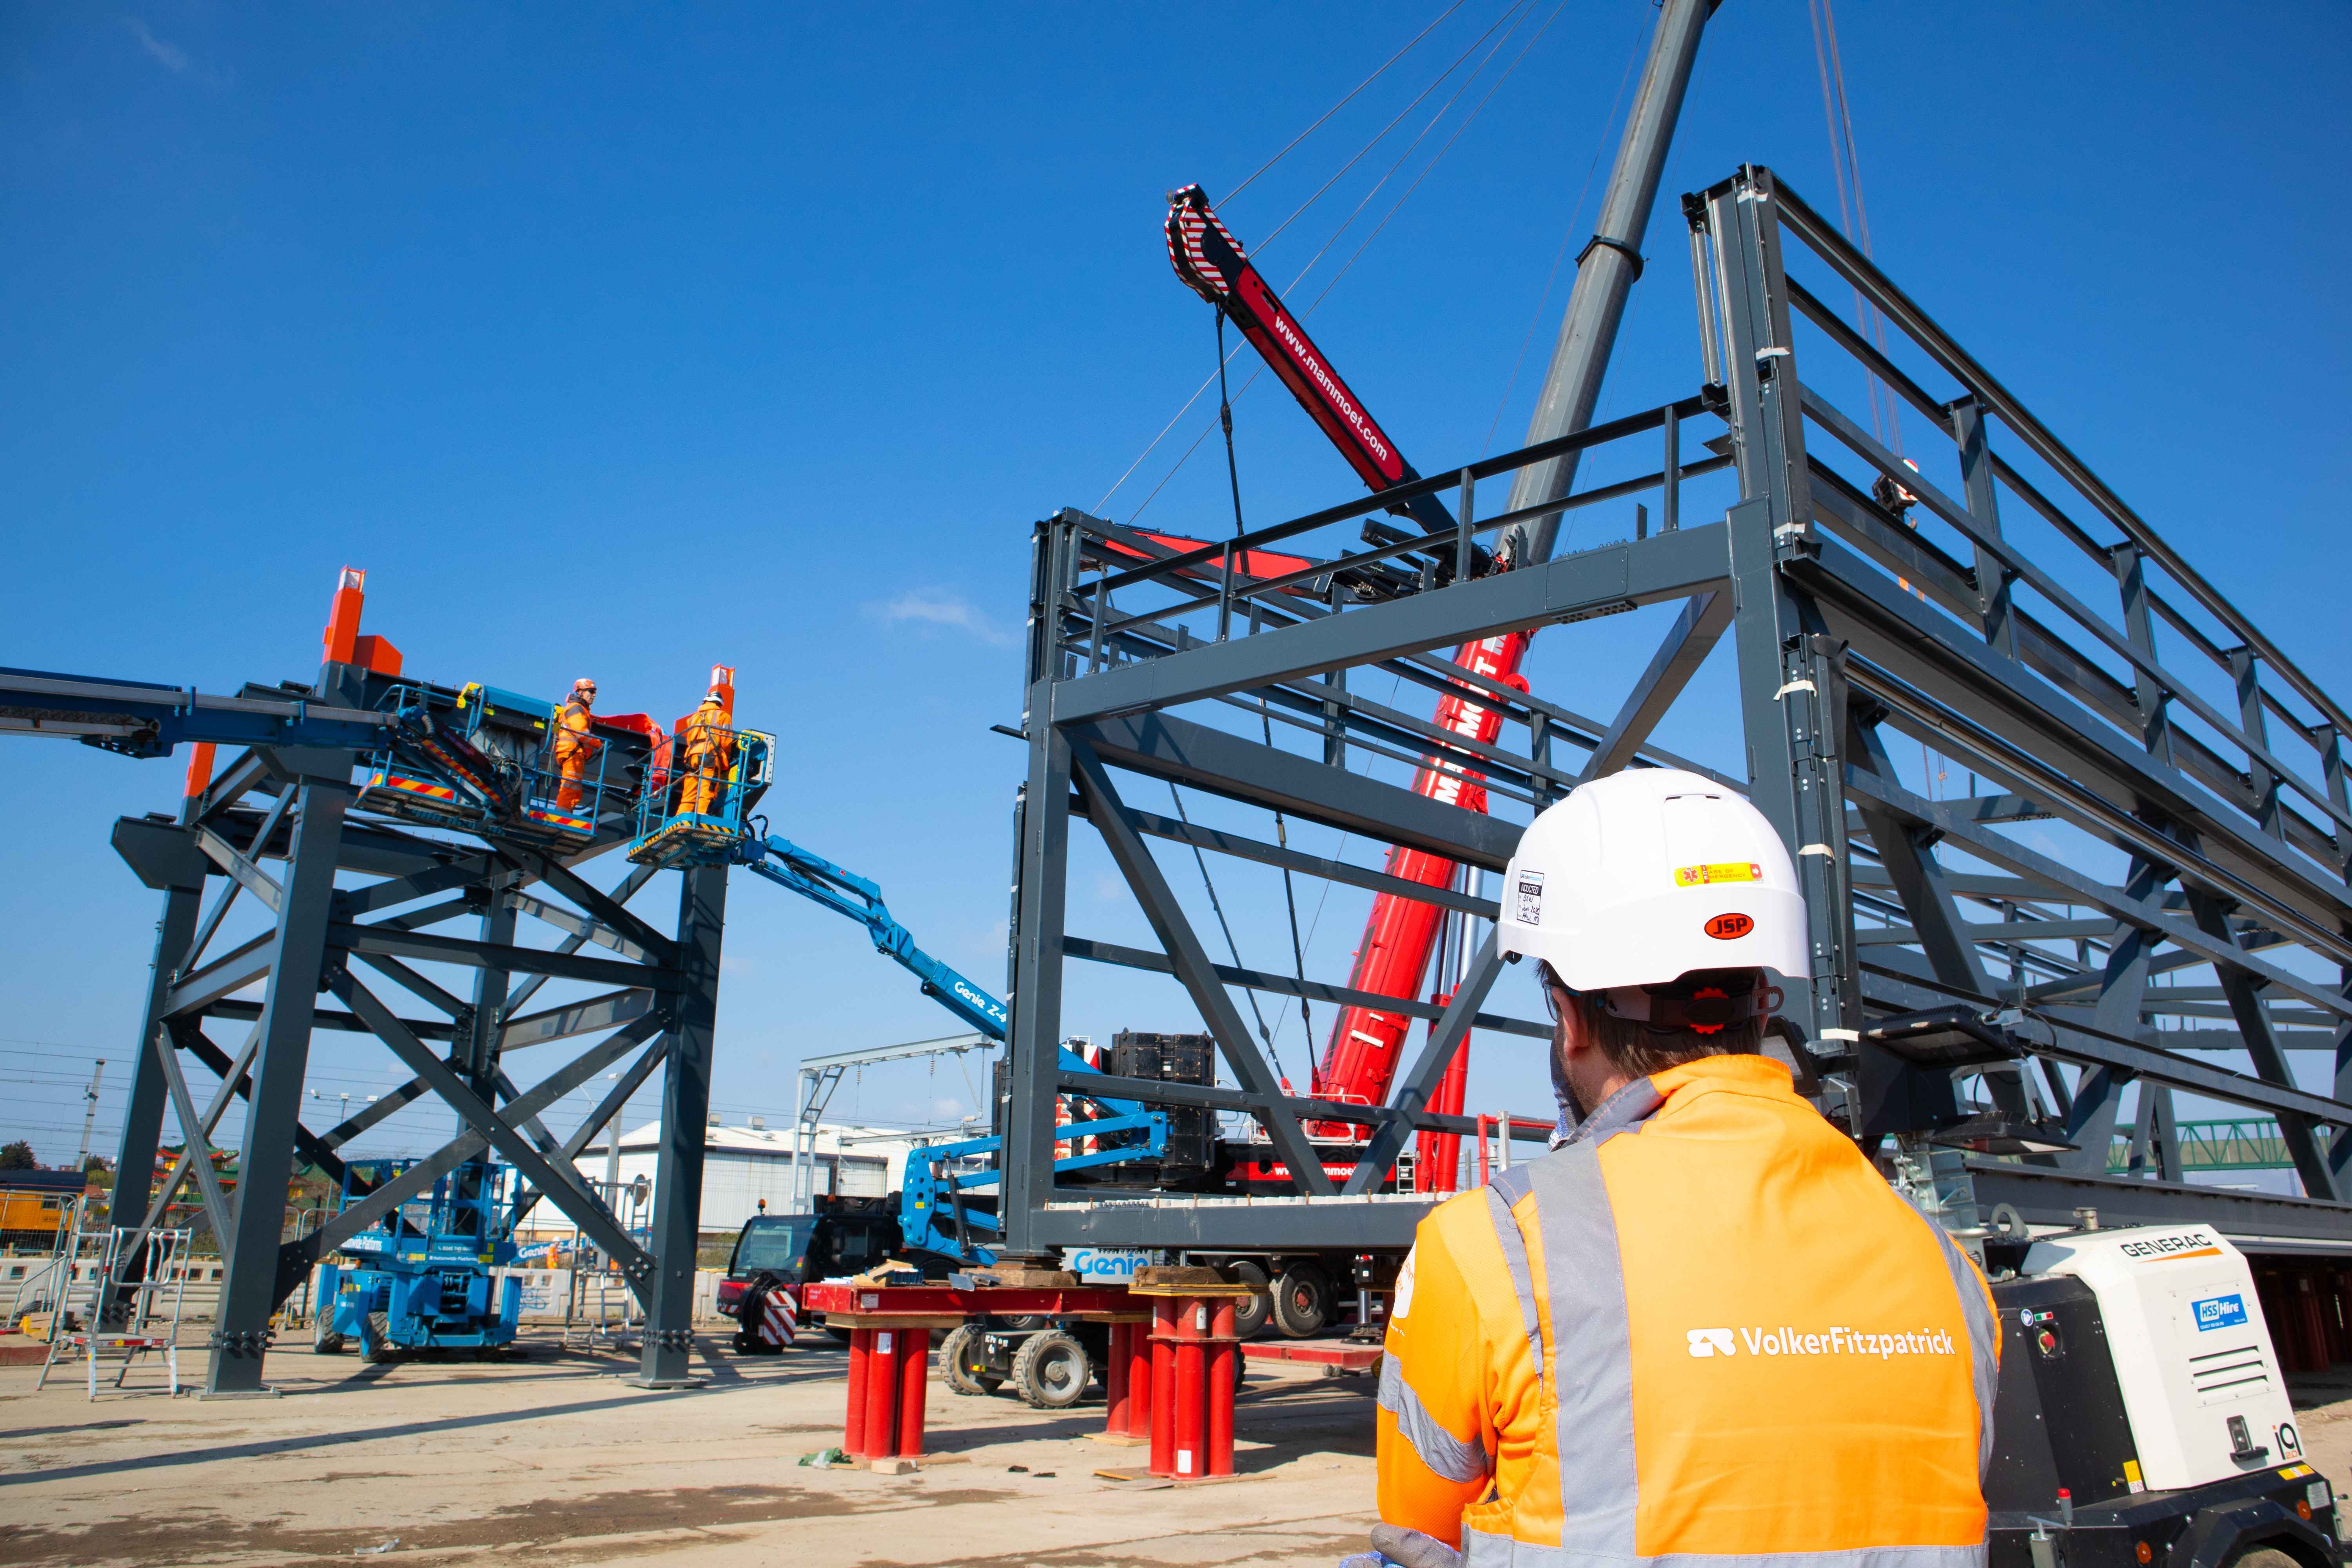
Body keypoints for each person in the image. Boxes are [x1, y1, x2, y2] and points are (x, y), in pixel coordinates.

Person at [1357, 767, 1996, 1568]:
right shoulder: (1943, 1265)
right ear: (1763, 1002)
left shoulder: (1496, 1245)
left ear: (1569, 1016)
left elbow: (1417, 1527)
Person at [674, 687, 737, 818]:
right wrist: (726, 757)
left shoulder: (693, 719)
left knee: (688, 795)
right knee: (707, 792)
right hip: (710, 757)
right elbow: (726, 741)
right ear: (719, 704)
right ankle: (702, 821)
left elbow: (691, 739)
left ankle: (681, 822)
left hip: (691, 758)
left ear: (705, 702)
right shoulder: (723, 716)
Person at [551, 678, 599, 811]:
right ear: (580, 692)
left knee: (574, 788)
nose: (594, 695)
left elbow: (556, 730)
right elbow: (582, 733)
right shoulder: (577, 708)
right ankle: (561, 816)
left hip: (570, 753)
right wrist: (598, 743)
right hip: (572, 752)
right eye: (591, 691)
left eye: (595, 692)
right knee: (570, 785)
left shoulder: (574, 709)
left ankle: (567, 812)